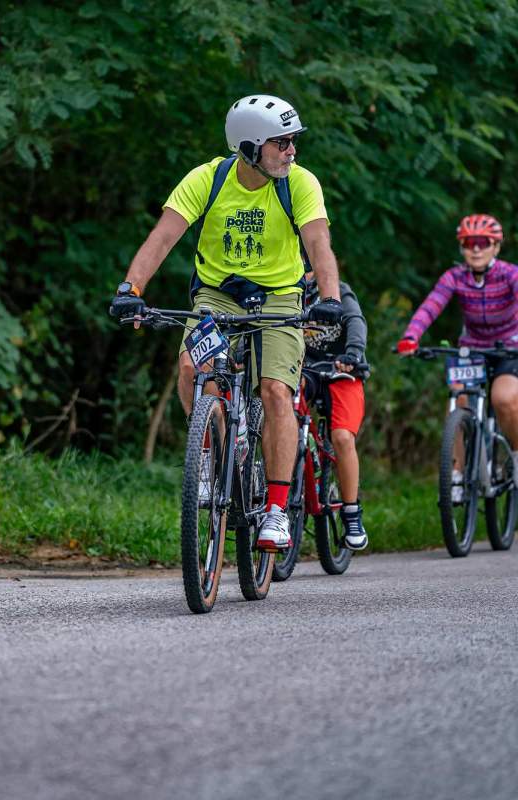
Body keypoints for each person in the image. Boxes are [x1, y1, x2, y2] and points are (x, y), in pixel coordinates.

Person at [110, 93, 342, 552]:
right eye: (281, 143)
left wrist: (330, 300)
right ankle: (211, 449)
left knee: (275, 390)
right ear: (251, 147)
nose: (291, 151)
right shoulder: (208, 179)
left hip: (279, 295)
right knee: (192, 368)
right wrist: (130, 290)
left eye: (292, 141)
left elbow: (319, 246)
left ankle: (275, 511)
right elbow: (162, 238)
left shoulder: (299, 183)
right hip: (217, 293)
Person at [396, 214, 518, 490]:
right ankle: (457, 473)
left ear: (496, 247)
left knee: (504, 397)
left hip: (508, 348)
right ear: (462, 247)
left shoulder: (510, 274)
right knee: (459, 399)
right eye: (468, 242)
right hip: (472, 348)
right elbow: (432, 306)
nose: (476, 249)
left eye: (483, 242)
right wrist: (411, 337)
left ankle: (516, 455)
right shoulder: (455, 276)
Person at [303, 273, 369, 550]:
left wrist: (353, 353)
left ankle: (351, 511)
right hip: (305, 370)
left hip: (342, 369)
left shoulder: (338, 289)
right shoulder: (280, 290)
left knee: (342, 437)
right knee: (279, 407)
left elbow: (355, 320)